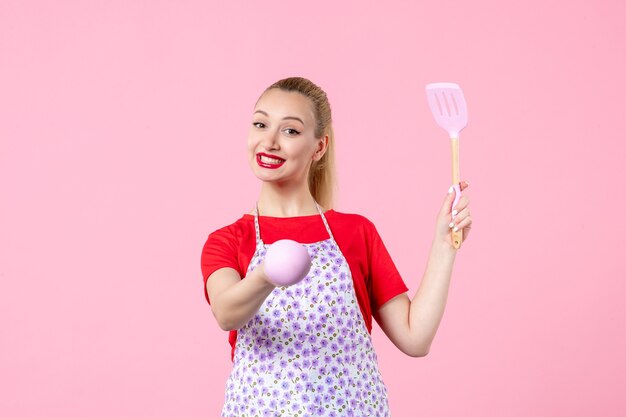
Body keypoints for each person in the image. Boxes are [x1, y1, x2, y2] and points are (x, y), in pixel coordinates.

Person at [200, 77, 472, 417]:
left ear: (319, 147)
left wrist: (444, 245)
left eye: (290, 131)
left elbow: (415, 338)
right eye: (260, 124)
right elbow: (227, 313)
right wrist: (267, 273)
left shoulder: (356, 232)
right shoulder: (228, 240)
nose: (269, 141)